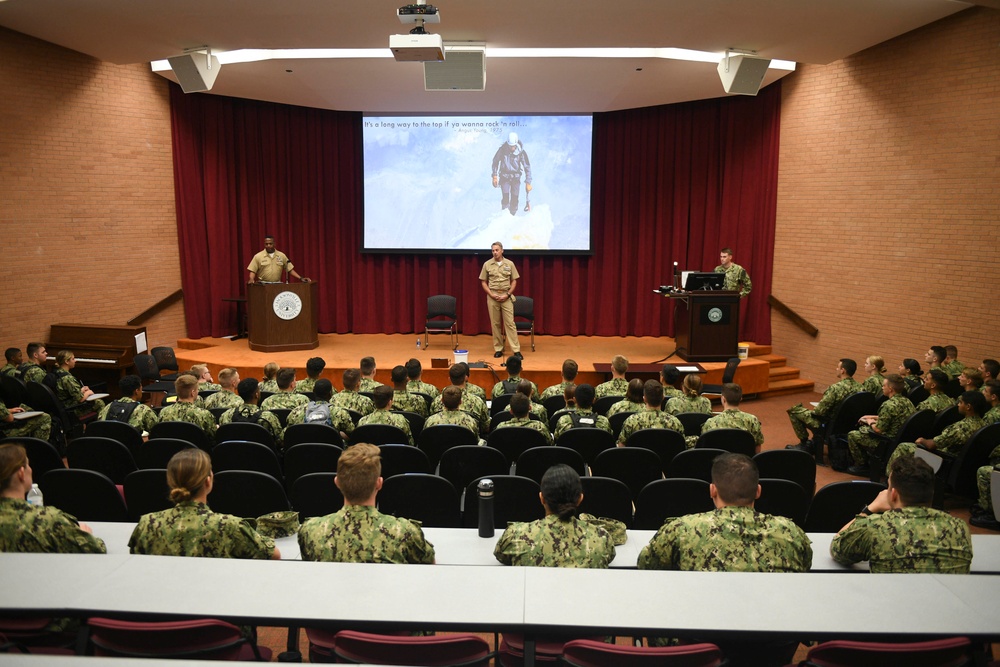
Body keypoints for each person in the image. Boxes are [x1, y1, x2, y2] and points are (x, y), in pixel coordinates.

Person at [637, 452, 810, 665]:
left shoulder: (682, 529)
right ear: (758, 491)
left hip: (697, 645)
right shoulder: (791, 532)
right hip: (772, 645)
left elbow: (647, 566)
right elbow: (804, 572)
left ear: (712, 490)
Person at [298, 443, 435, 563]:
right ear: (379, 483)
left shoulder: (310, 531)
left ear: (337, 482)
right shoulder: (405, 532)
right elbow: (429, 563)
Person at [129, 449, 279, 559]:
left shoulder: (147, 525)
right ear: (208, 481)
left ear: (170, 482)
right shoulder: (230, 526)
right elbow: (274, 555)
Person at [830, 456, 971, 573]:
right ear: (931, 493)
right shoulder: (959, 528)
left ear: (894, 494)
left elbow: (838, 548)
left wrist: (870, 509)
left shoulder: (875, 527)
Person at [495, 464, 614, 567]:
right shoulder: (602, 539)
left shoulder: (516, 536)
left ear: (542, 498)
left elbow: (500, 555)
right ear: (580, 499)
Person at [0, 443, 105, 553]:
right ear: (21, 474)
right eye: (28, 465)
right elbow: (95, 549)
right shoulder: (47, 520)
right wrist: (84, 535)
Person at [887, 390, 988, 470]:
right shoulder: (983, 425)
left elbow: (932, 445)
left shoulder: (961, 427)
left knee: (903, 446)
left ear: (968, 407)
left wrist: (922, 440)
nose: (958, 405)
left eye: (961, 402)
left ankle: (890, 482)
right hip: (963, 465)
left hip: (943, 460)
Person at [785, 359, 861, 453]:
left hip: (828, 425)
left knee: (794, 411)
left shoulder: (836, 388)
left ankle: (804, 444)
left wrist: (817, 408)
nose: (836, 369)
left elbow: (819, 412)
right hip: (848, 425)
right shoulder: (860, 388)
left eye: (838, 367)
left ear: (843, 370)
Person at [845, 374, 915, 476]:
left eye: (884, 386)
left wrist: (869, 421)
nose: (882, 387)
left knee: (853, 434)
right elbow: (895, 416)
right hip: (900, 439)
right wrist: (872, 416)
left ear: (890, 389)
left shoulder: (888, 405)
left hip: (886, 441)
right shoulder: (907, 402)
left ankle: (862, 466)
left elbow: (878, 430)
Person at [479, 241, 521, 359]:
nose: (495, 252)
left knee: (510, 324)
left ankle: (516, 350)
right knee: (495, 324)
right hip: (493, 297)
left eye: (497, 250)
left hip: (506, 296)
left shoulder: (510, 264)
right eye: (493, 250)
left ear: (502, 250)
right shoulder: (487, 264)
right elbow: (483, 282)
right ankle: (498, 349)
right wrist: (491, 294)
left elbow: (514, 281)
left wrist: (508, 294)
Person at [220, 378, 284, 448]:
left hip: (233, 455)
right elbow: (279, 442)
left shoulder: (226, 415)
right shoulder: (267, 417)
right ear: (256, 395)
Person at [617, 380, 683, 447]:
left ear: (644, 399)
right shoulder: (675, 423)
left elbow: (621, 447)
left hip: (638, 457)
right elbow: (681, 446)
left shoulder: (631, 421)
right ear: (663, 398)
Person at [285, 378, 354, 442]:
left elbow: (284, 436)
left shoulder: (296, 412)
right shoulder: (340, 413)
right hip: (332, 453)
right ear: (330, 394)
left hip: (303, 452)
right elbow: (354, 434)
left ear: (313, 392)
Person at [429, 365, 489, 436]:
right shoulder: (478, 401)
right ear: (465, 378)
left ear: (449, 379)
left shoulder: (436, 401)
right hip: (467, 444)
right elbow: (486, 427)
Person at [699, 383, 763, 450]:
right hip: (743, 459)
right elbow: (757, 446)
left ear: (723, 399)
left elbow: (706, 447)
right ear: (740, 399)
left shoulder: (710, 423)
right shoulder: (753, 420)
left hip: (720, 459)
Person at [158, 374, 218, 443]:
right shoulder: (204, 414)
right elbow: (213, 438)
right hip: (197, 452)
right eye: (197, 390)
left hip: (171, 451)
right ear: (192, 393)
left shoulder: (164, 412)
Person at [52, 349, 105, 419]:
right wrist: (89, 392)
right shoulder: (67, 378)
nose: (75, 361)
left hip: (60, 407)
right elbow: (81, 399)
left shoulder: (56, 373)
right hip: (70, 409)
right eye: (73, 359)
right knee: (99, 402)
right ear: (66, 361)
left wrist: (81, 390)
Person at [491, 132, 532, 216]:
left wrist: (528, 182)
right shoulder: (502, 150)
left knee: (515, 199)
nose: (511, 148)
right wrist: (494, 176)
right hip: (504, 177)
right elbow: (495, 161)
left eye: (513, 146)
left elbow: (527, 167)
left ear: (516, 144)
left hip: (516, 178)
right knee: (505, 198)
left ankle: (512, 215)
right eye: (510, 146)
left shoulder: (521, 152)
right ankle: (504, 216)